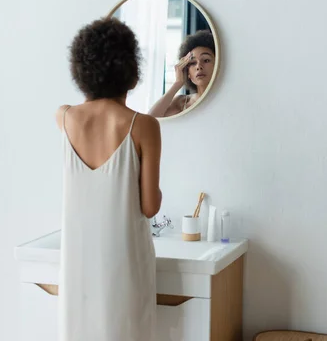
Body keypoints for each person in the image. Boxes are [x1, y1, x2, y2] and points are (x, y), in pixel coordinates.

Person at [55, 17, 161, 341]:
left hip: (78, 264)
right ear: (131, 70)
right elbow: (149, 207)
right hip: (123, 263)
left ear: (82, 70)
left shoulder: (64, 116)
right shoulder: (143, 125)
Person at [148, 30, 215, 117]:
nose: (199, 66)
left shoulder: (228, 100)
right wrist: (177, 83)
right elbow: (151, 119)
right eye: (193, 63)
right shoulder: (182, 102)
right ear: (187, 72)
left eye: (206, 60)